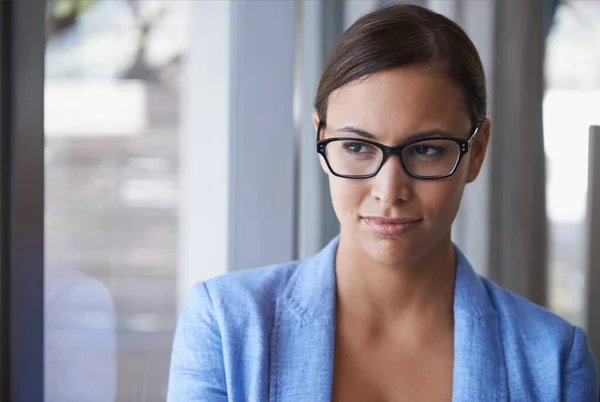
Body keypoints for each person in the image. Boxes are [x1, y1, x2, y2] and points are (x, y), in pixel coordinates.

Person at [167, 4, 599, 401]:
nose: (389, 191)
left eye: (427, 149)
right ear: (322, 138)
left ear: (477, 151)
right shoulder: (227, 326)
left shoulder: (553, 361)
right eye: (357, 147)